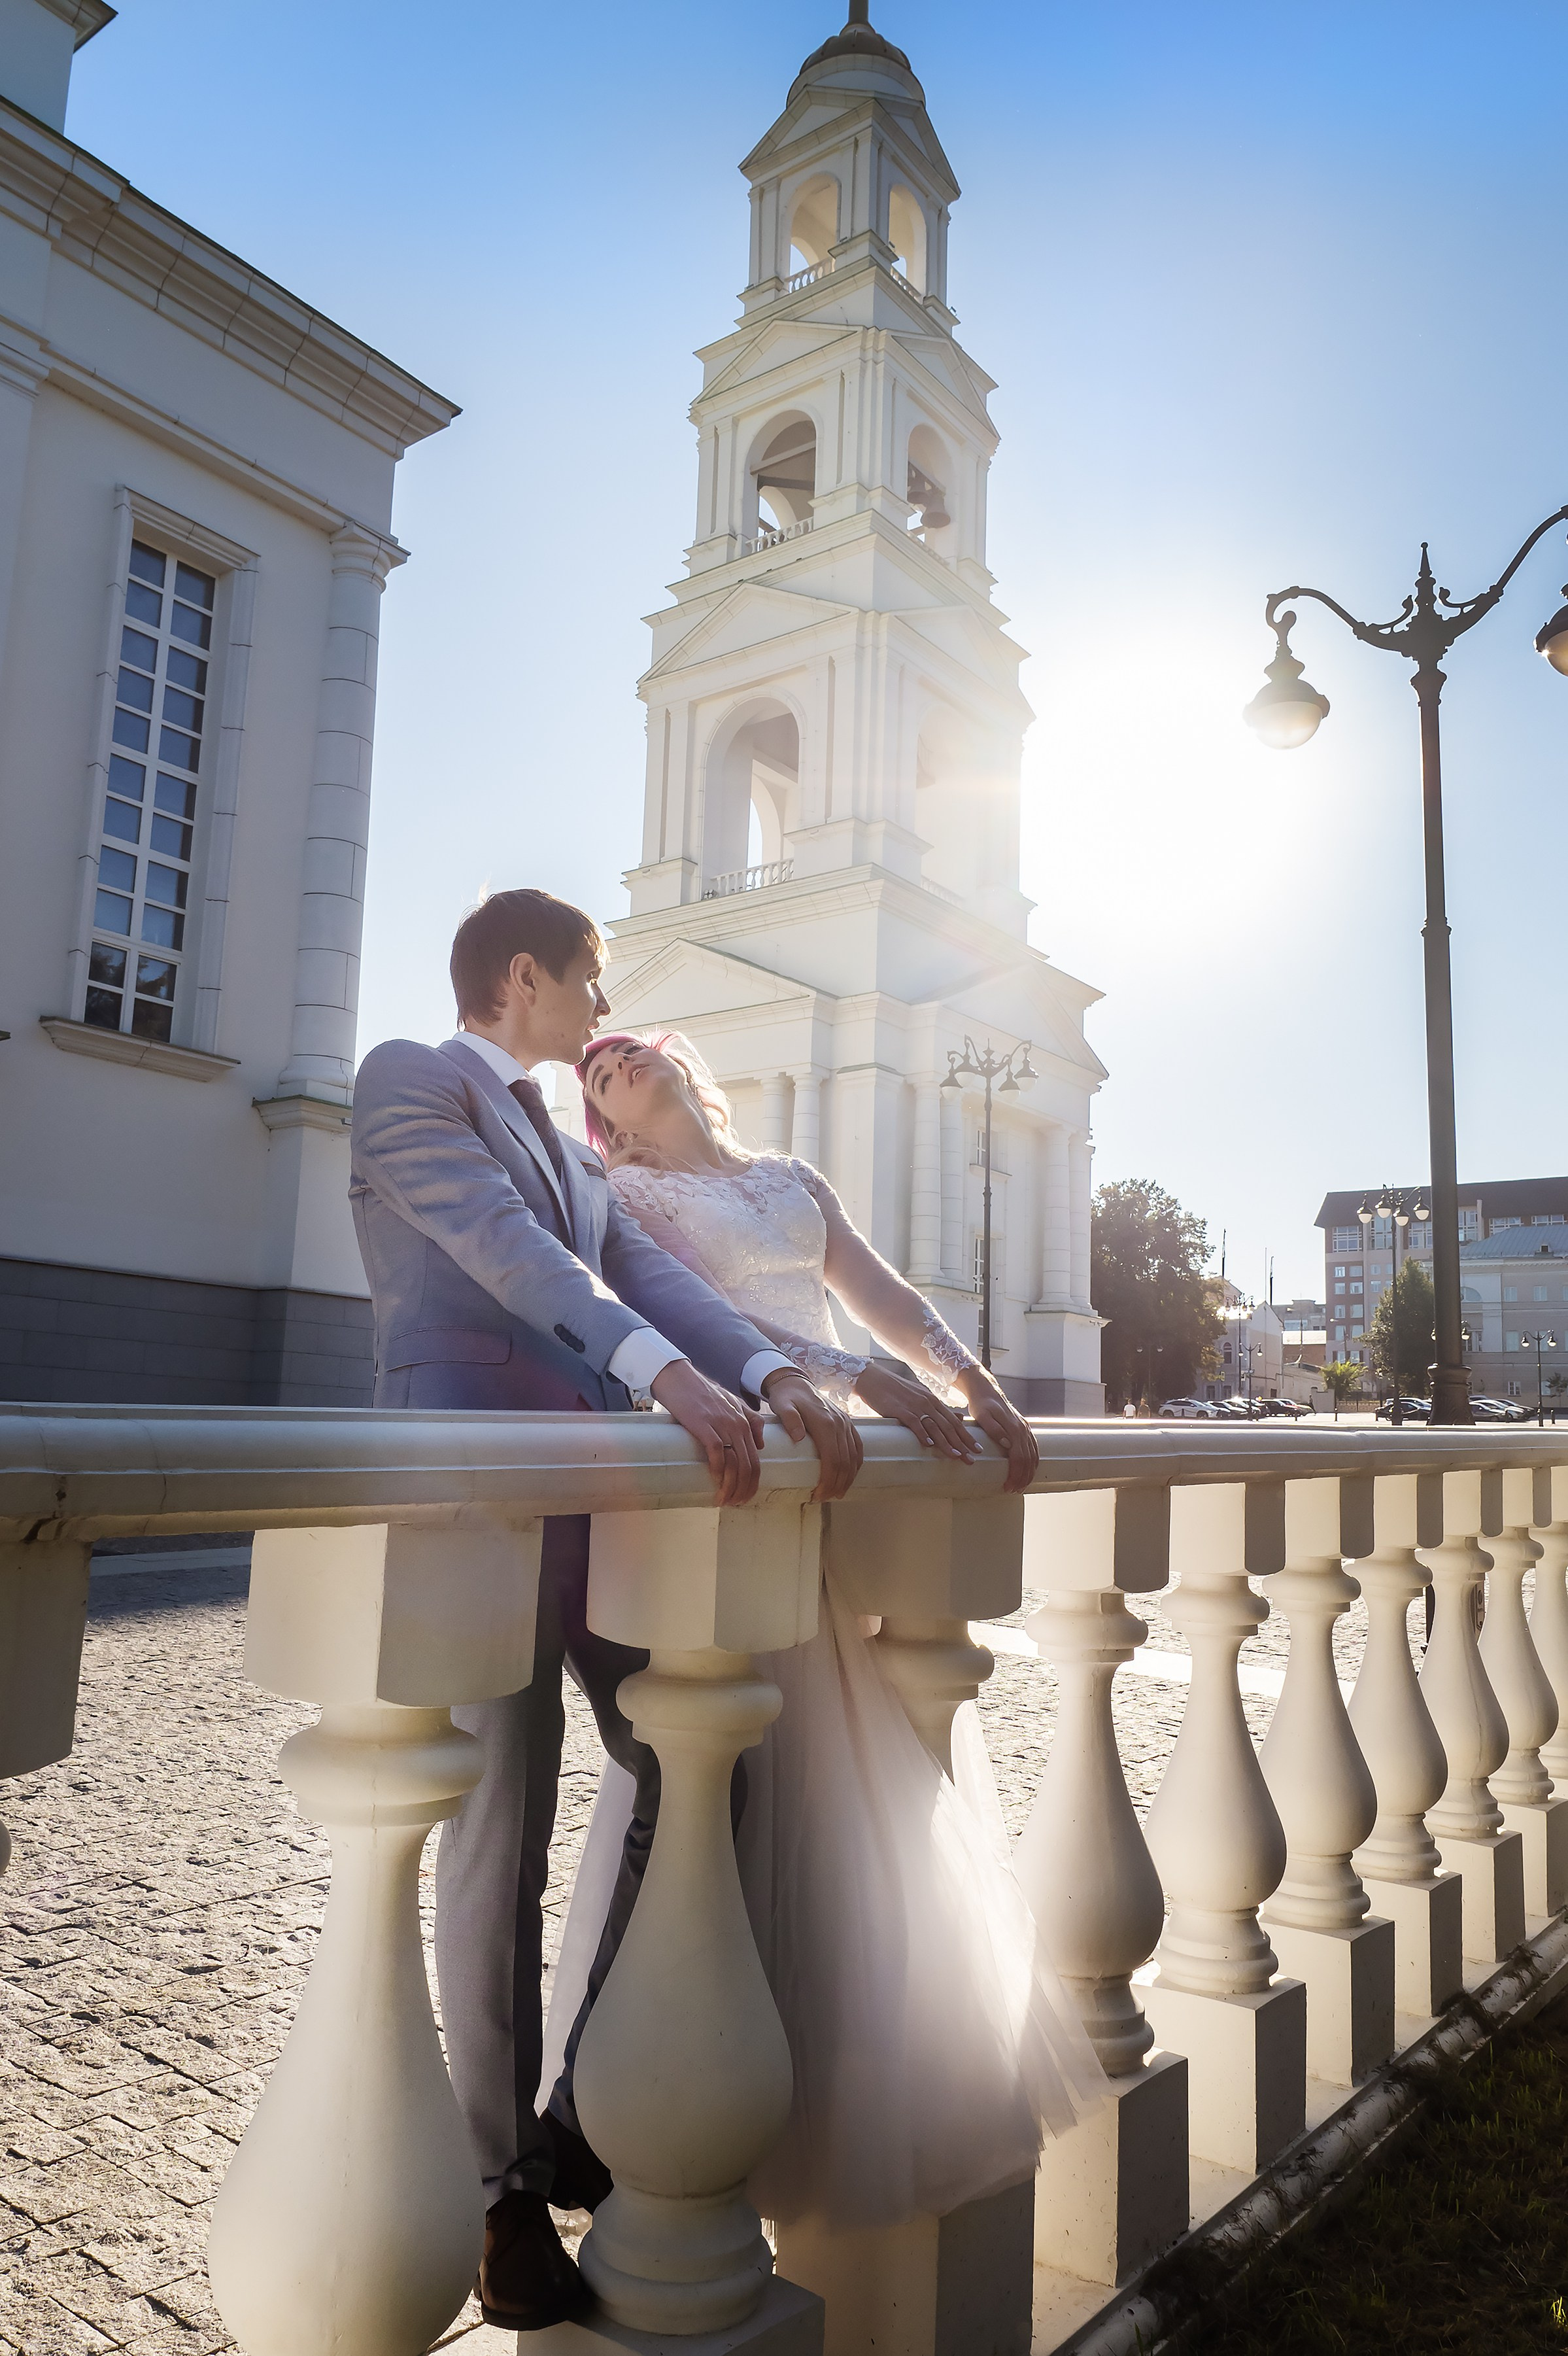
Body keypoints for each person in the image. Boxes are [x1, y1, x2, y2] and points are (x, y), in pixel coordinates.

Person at [349, 894, 859, 2330]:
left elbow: (636, 1268)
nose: (599, 1007)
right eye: (589, 980)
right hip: (475, 1508)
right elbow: (512, 1255)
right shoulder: (410, 1077)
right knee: (497, 1841)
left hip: (597, 1515)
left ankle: (576, 2097)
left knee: (693, 1766)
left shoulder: (583, 1158)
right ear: (524, 977)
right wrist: (665, 1378)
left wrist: (765, 1375)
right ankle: (503, 2193)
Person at [554, 1029, 1105, 2230]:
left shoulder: (793, 1180)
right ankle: (679, 2105)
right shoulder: (625, 1192)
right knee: (731, 1777)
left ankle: (841, 2086)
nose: (610, 1072)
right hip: (748, 1468)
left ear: (680, 1070)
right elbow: (688, 1316)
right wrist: (842, 1372)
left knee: (857, 1790)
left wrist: (971, 1380)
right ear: (612, 1129)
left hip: (842, 1481)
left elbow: (883, 1292)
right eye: (593, 1079)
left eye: (625, 1054)